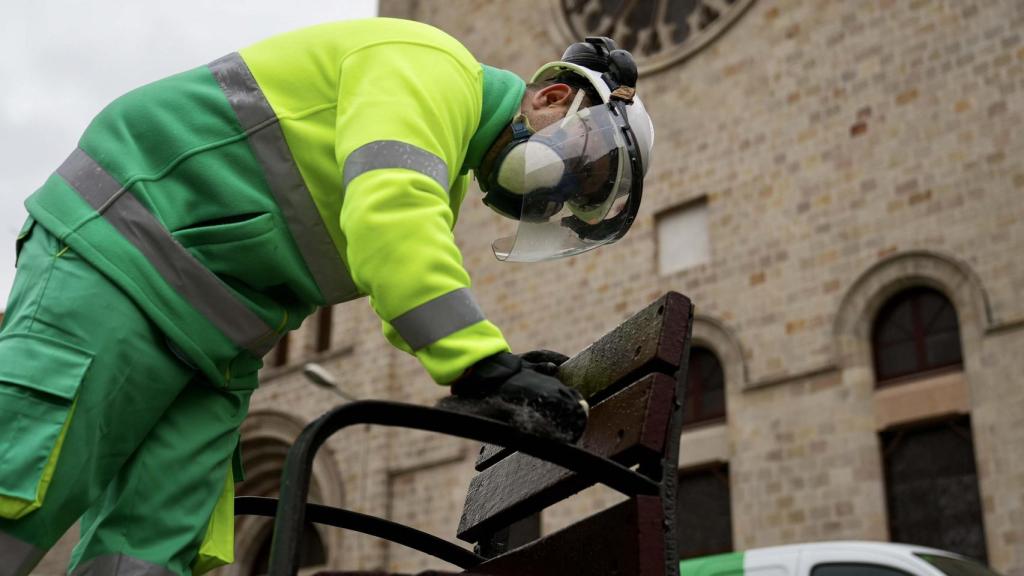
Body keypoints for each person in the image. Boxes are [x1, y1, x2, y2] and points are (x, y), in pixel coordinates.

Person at [0, 17, 653, 576]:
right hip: (125, 257)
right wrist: (483, 364)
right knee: (20, 487)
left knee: (151, 550)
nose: (558, 193)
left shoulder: (448, 163)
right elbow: (392, 219)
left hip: (214, 347)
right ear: (551, 97)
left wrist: (496, 366)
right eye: (577, 167)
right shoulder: (432, 67)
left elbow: (394, 264)